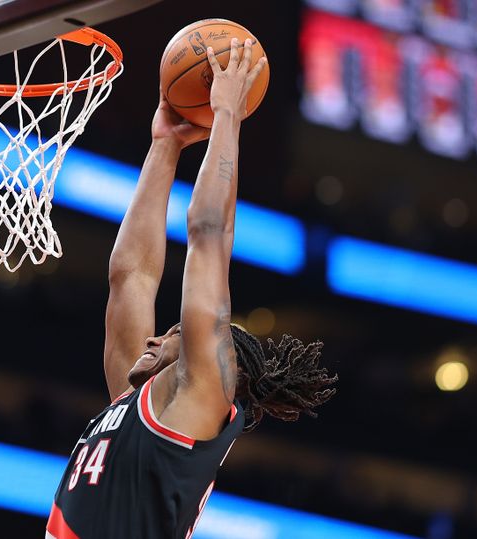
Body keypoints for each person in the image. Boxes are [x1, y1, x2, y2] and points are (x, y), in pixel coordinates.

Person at [46, 38, 337, 539]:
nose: (156, 338)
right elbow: (130, 276)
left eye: (174, 334)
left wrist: (227, 116)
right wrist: (165, 145)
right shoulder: (133, 405)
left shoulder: (204, 391)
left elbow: (209, 236)